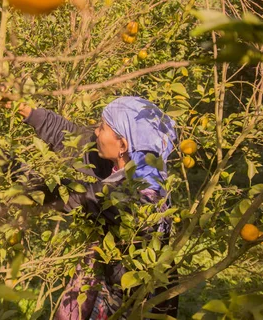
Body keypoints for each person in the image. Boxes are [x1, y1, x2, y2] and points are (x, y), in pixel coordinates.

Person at [13, 96, 178, 319]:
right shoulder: (134, 164)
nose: (97, 132)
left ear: (123, 144)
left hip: (126, 301)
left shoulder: (137, 196)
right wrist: (26, 110)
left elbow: (64, 197)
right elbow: (74, 139)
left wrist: (4, 164)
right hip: (110, 280)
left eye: (102, 127)